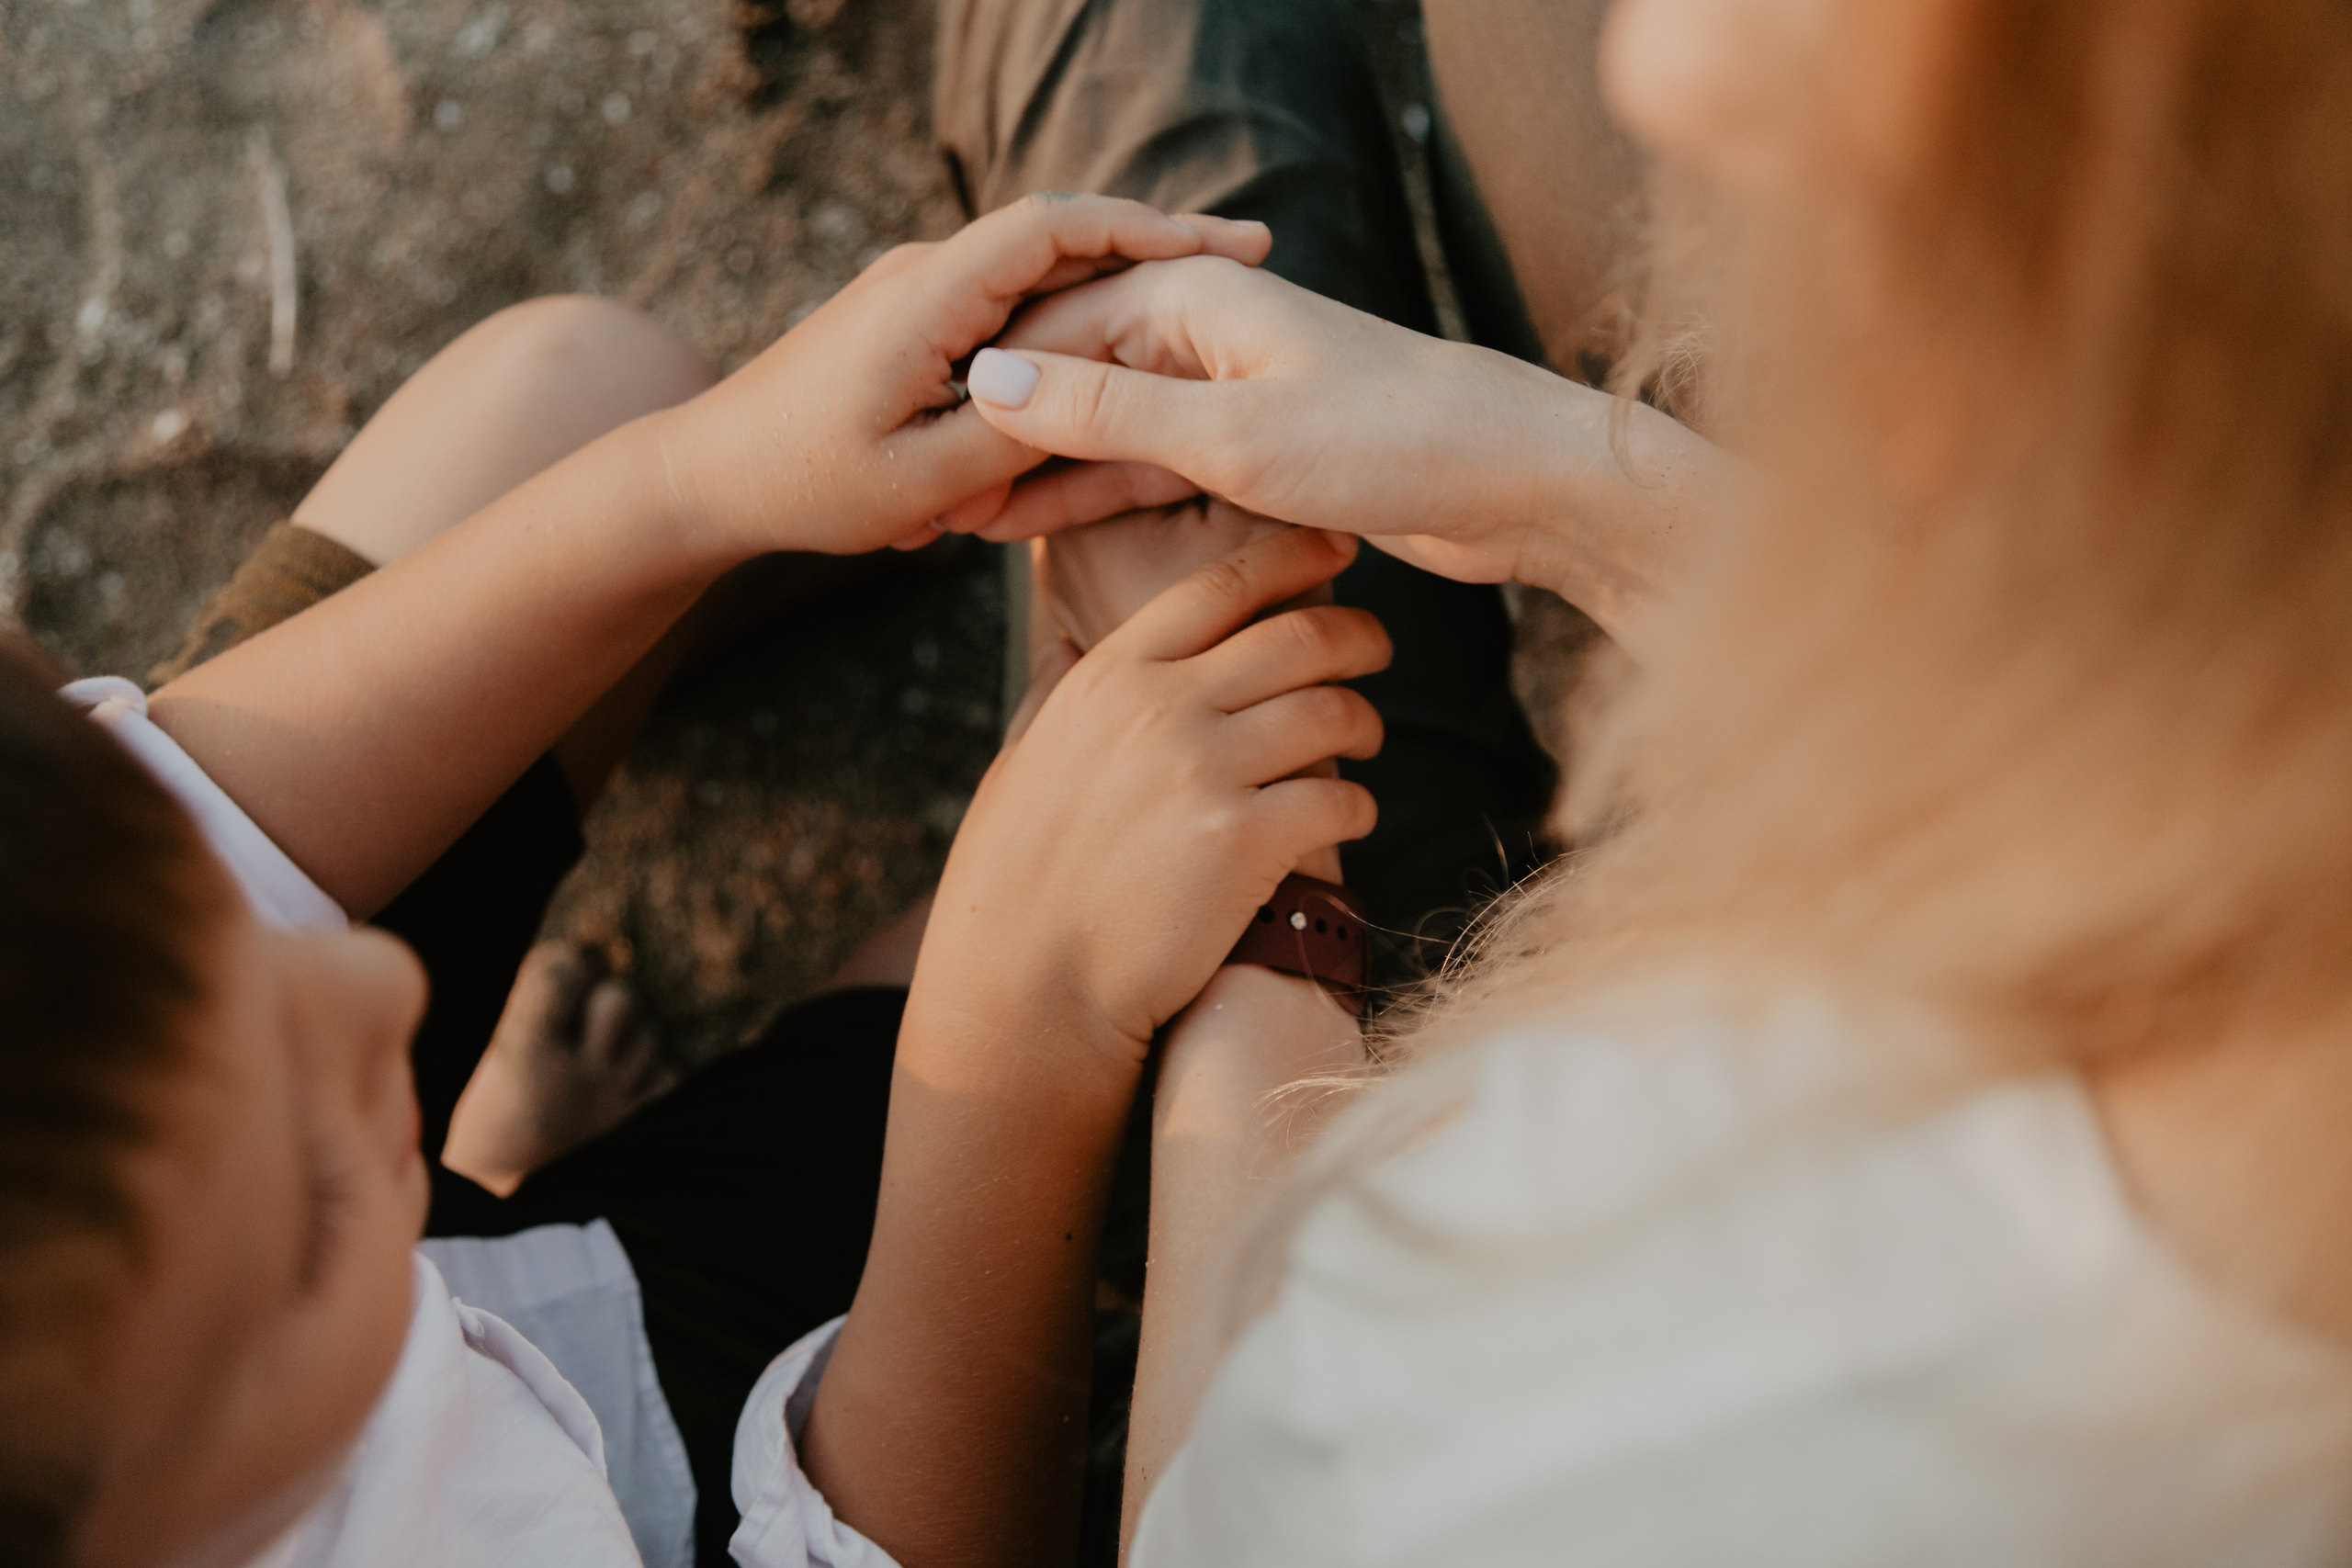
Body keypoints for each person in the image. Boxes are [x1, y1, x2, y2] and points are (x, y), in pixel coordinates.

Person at [784, 0, 2352, 1565]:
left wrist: (1262, 918)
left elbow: (1202, 1492)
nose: (1665, 54)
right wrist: (1570, 496)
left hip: (1290, 1113)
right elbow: (2112, 786)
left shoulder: (1538, 1429)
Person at [0, 195, 1397, 1568]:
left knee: (576, 391)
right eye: (296, 1216)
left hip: (405, 1309)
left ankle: (448, 1174)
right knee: (1142, 988)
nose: (370, 981)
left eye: (233, 964)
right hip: (657, 1496)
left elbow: (204, 821)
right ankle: (515, 1152)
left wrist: (706, 478)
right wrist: (1026, 1023)